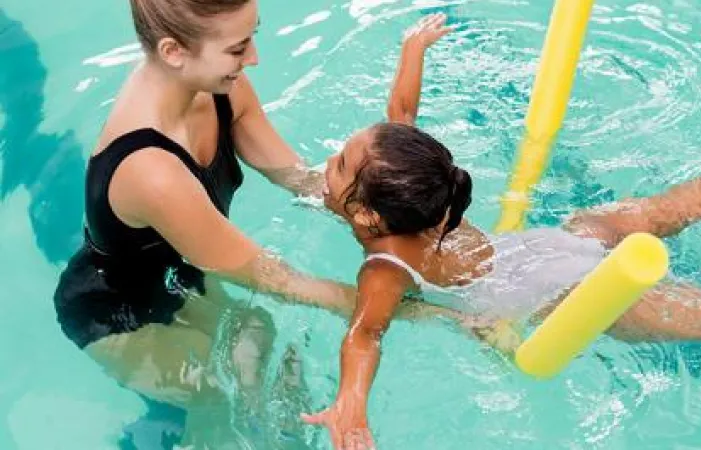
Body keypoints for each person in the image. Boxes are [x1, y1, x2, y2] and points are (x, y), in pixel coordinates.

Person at [301, 13, 701, 449]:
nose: (330, 162)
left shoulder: (383, 266)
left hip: (576, 295)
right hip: (561, 240)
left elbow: (365, 333)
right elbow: (402, 114)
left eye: (341, 163)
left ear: (368, 216)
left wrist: (351, 400)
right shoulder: (423, 189)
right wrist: (412, 51)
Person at [51, 1, 473, 447]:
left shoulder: (219, 89)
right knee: (216, 390)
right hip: (116, 312)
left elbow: (303, 181)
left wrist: (395, 213)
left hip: (180, 275)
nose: (253, 58)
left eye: (252, 37)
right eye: (237, 49)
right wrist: (432, 314)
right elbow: (283, 281)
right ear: (175, 51)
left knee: (259, 334)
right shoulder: (152, 173)